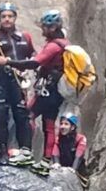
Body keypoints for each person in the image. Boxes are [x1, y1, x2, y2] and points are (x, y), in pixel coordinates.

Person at [16, 11, 74, 165]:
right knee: (49, 124)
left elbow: (35, 63)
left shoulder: (54, 46)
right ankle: (45, 162)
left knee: (27, 115)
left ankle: (26, 152)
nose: (42, 30)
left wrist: (8, 62)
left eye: (45, 27)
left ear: (52, 27)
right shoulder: (65, 43)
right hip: (57, 91)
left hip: (48, 89)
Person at [0, 3, 35, 161]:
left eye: (10, 16)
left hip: (19, 81)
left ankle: (26, 150)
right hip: (1, 80)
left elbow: (32, 56)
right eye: (3, 16)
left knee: (21, 114)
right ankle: (3, 151)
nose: (7, 19)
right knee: (1, 114)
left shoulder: (25, 37)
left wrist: (26, 70)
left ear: (15, 17)